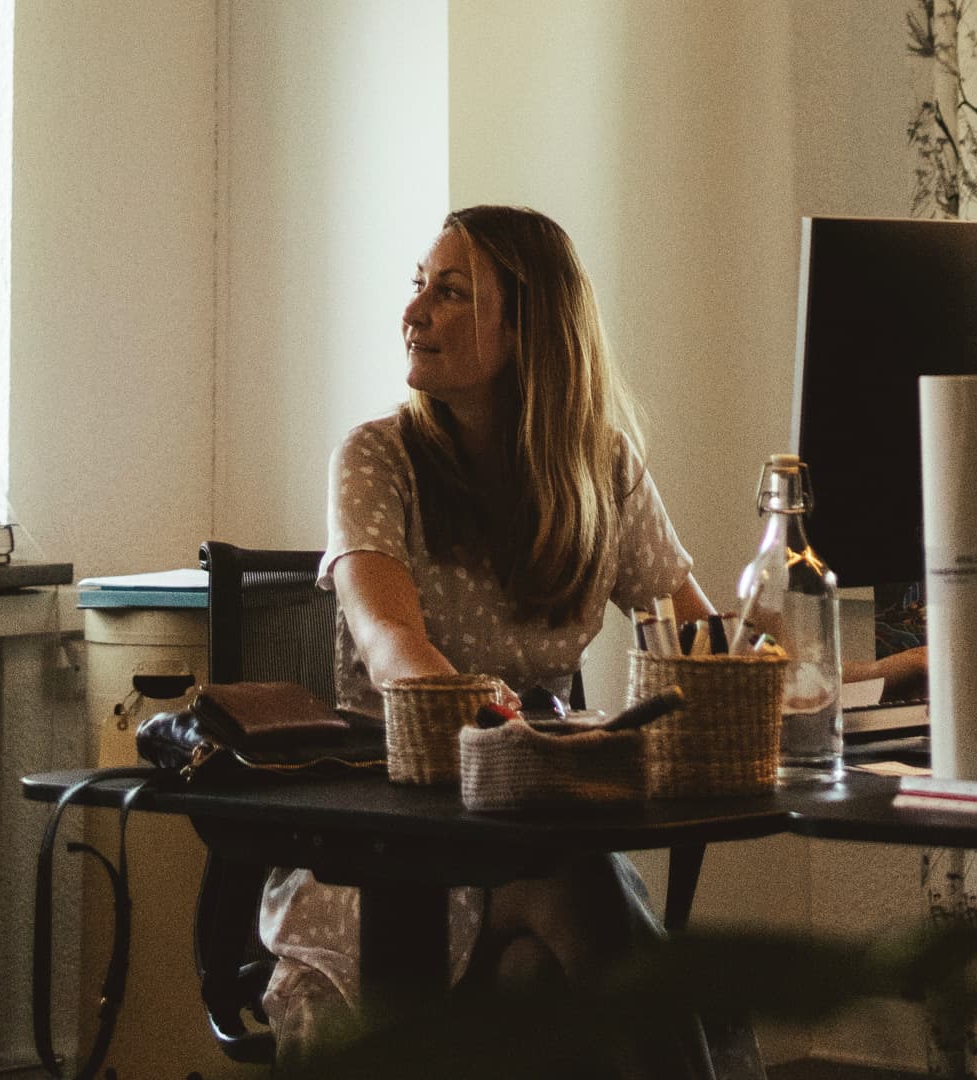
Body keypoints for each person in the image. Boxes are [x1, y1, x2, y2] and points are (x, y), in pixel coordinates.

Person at [258, 205, 743, 1077]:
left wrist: (851, 673)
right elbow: (389, 641)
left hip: (520, 844)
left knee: (550, 964)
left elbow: (700, 648)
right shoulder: (376, 459)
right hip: (386, 854)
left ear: (528, 330)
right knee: (581, 885)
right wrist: (498, 724)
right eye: (420, 286)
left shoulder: (603, 469)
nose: (414, 312)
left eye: (450, 293)